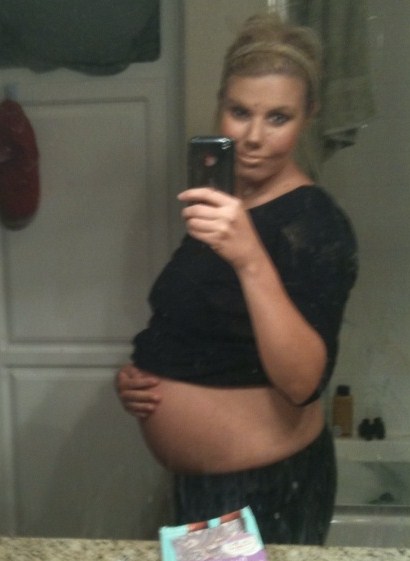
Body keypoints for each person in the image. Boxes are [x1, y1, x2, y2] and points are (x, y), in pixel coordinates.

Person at [115, 12, 358, 545]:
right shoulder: (225, 206)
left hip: (262, 491)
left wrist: (250, 258)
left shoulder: (315, 224)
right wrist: (136, 378)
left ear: (309, 115)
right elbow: (198, 328)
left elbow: (303, 382)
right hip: (207, 490)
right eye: (240, 111)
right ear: (221, 103)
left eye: (278, 118)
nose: (252, 138)